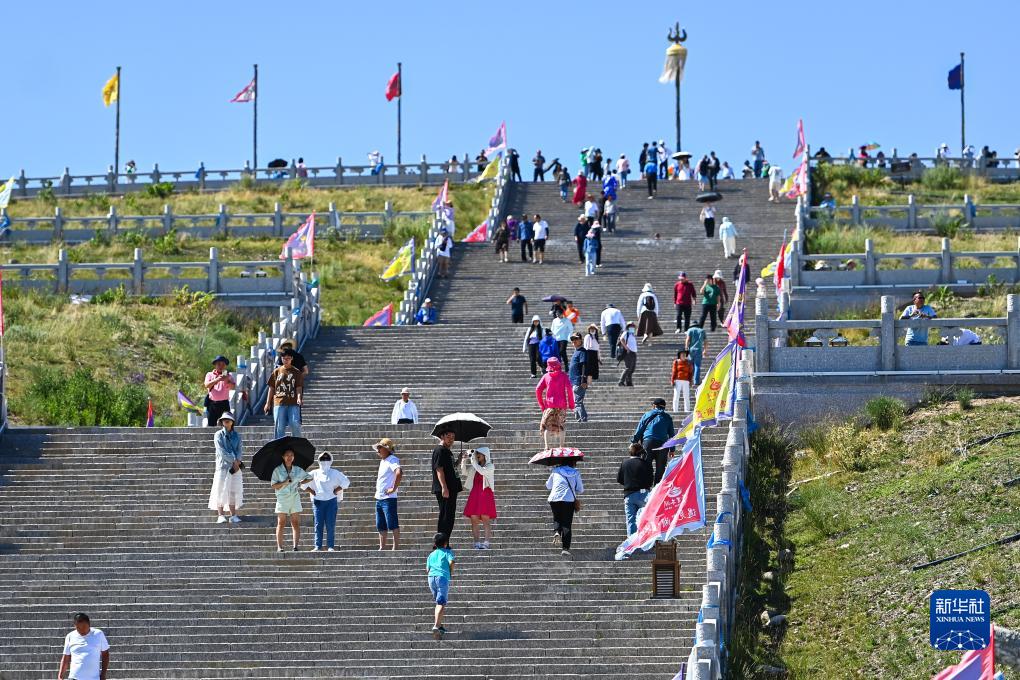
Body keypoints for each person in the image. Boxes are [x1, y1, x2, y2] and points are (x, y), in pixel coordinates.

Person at [302, 452, 350, 552]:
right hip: (318, 501)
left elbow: (346, 482)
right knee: (318, 524)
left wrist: (337, 490)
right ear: (319, 461)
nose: (325, 461)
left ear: (331, 460)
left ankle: (330, 546)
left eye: (327, 459)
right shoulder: (314, 473)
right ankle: (317, 546)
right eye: (322, 459)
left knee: (330, 525)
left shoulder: (335, 472)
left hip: (331, 501)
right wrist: (311, 491)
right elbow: (302, 483)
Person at [270, 448, 312, 552]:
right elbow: (273, 485)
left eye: (291, 455)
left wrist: (301, 482)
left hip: (294, 497)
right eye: (287, 455)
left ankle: (295, 546)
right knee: (281, 522)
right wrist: (284, 482)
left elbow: (310, 477)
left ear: (294, 457)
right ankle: (279, 547)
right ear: (283, 457)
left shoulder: (297, 469)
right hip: (282, 498)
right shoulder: (277, 470)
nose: (289, 457)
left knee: (295, 522)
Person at [209, 412, 243, 523]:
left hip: (235, 467)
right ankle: (221, 515)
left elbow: (239, 450)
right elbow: (221, 451)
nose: (226, 421)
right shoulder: (218, 435)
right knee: (220, 490)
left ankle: (233, 515)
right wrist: (234, 460)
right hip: (223, 466)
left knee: (233, 491)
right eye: (224, 420)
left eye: (228, 420)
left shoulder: (237, 435)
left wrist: (237, 461)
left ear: (232, 422)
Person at [631, 398, 676, 484]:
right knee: (660, 469)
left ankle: (646, 487)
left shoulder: (647, 414)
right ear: (664, 407)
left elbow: (640, 429)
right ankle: (657, 489)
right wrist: (672, 449)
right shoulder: (667, 417)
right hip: (663, 445)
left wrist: (634, 441)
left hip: (648, 443)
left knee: (645, 467)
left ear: (654, 406)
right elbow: (671, 435)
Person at [546, 460, 584, 557]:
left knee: (557, 518)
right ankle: (565, 549)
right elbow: (580, 489)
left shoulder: (555, 471)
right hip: (568, 499)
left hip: (554, 499)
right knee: (567, 524)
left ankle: (557, 532)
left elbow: (548, 486)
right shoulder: (575, 472)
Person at [535, 357, 575, 449]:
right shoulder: (563, 375)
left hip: (550, 405)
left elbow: (538, 389)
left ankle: (547, 446)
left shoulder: (546, 376)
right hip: (561, 405)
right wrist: (571, 404)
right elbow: (569, 389)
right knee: (561, 426)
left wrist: (541, 404)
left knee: (547, 427)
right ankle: (561, 446)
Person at [461, 446, 497, 549]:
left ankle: (486, 542)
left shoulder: (490, 466)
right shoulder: (475, 466)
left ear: (485, 455)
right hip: (475, 494)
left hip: (485, 494)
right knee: (474, 518)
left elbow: (482, 471)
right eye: (476, 454)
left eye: (479, 454)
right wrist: (464, 460)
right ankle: (476, 542)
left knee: (485, 518)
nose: (477, 455)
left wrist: (473, 460)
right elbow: (464, 472)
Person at [432, 428, 463, 540]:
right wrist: (444, 487)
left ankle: (445, 542)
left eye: (453, 437)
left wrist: (458, 460)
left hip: (451, 488)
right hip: (446, 489)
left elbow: (450, 468)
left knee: (449, 516)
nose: (451, 439)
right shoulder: (439, 450)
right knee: (445, 516)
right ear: (442, 437)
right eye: (448, 436)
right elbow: (439, 469)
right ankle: (440, 542)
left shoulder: (447, 451)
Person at [264, 349, 303, 439]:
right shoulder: (276, 371)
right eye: (284, 358)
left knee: (295, 423)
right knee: (279, 426)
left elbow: (299, 387)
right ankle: (279, 445)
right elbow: (271, 388)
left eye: (288, 358)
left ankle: (297, 442)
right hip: (279, 401)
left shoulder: (296, 372)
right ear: (281, 359)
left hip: (293, 402)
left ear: (292, 358)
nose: (286, 360)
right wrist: (268, 403)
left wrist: (299, 398)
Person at [59, 613, 110, 680]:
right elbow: (66, 658)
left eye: (83, 627)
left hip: (93, 678)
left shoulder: (98, 634)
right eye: (78, 628)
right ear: (75, 626)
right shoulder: (70, 636)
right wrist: (60, 676)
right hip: (74, 677)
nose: (81, 630)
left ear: (89, 624)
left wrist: (103, 674)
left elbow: (105, 654)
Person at [618, 443, 653, 536]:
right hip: (643, 494)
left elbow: (619, 479)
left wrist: (629, 483)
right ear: (641, 452)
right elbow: (650, 480)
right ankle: (645, 540)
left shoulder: (624, 463)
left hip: (629, 495)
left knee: (631, 520)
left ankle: (631, 541)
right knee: (645, 519)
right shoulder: (646, 463)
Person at [426, 532, 456, 639]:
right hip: (442, 577)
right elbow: (452, 562)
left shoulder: (431, 554)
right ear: (445, 543)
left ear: (435, 543)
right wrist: (450, 571)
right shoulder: (447, 552)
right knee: (441, 602)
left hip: (431, 578)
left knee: (438, 602)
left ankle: (439, 625)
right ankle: (436, 626)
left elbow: (427, 569)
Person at [374, 438, 402, 550]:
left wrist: (393, 488)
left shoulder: (392, 459)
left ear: (387, 449)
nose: (378, 450)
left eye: (380, 447)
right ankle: (382, 546)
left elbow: (399, 472)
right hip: (380, 497)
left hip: (388, 498)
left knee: (392, 523)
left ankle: (395, 547)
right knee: (380, 524)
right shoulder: (383, 461)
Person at [204, 355, 236, 427]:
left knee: (226, 424)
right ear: (215, 365)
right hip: (212, 403)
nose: (221, 366)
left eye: (223, 364)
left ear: (225, 366)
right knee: (211, 424)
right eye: (219, 364)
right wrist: (217, 379)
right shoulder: (209, 375)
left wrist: (227, 380)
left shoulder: (228, 376)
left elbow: (233, 387)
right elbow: (207, 385)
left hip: (224, 404)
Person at [567, 332, 591, 422]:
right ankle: (579, 420)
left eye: (576, 339)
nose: (574, 341)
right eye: (572, 339)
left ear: (581, 340)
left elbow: (584, 365)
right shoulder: (577, 351)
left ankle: (583, 420)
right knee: (576, 402)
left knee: (578, 401)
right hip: (574, 381)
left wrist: (583, 379)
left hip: (579, 381)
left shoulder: (582, 351)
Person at [617, 321, 638, 387]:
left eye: (633, 326)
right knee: (628, 367)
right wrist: (627, 348)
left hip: (633, 352)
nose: (632, 327)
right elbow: (621, 339)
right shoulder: (626, 332)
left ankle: (629, 382)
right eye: (630, 326)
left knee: (632, 369)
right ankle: (621, 381)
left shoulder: (632, 335)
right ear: (628, 327)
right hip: (628, 353)